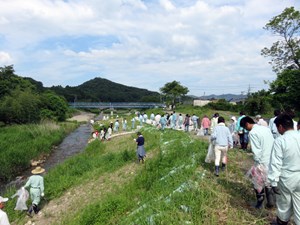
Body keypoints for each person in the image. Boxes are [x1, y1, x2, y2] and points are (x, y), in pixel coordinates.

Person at [268, 114, 300, 225]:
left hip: (287, 177)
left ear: (280, 127)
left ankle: (282, 222)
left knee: (284, 203)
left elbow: (276, 163)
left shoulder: (280, 141)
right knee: (299, 205)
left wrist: (273, 182)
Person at [240, 116, 275, 209]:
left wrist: (257, 163)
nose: (245, 129)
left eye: (244, 127)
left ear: (247, 124)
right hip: (271, 159)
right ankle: (270, 201)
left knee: (258, 183)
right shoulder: (266, 129)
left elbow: (256, 151)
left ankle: (259, 203)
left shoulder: (253, 133)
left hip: (261, 161)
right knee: (268, 181)